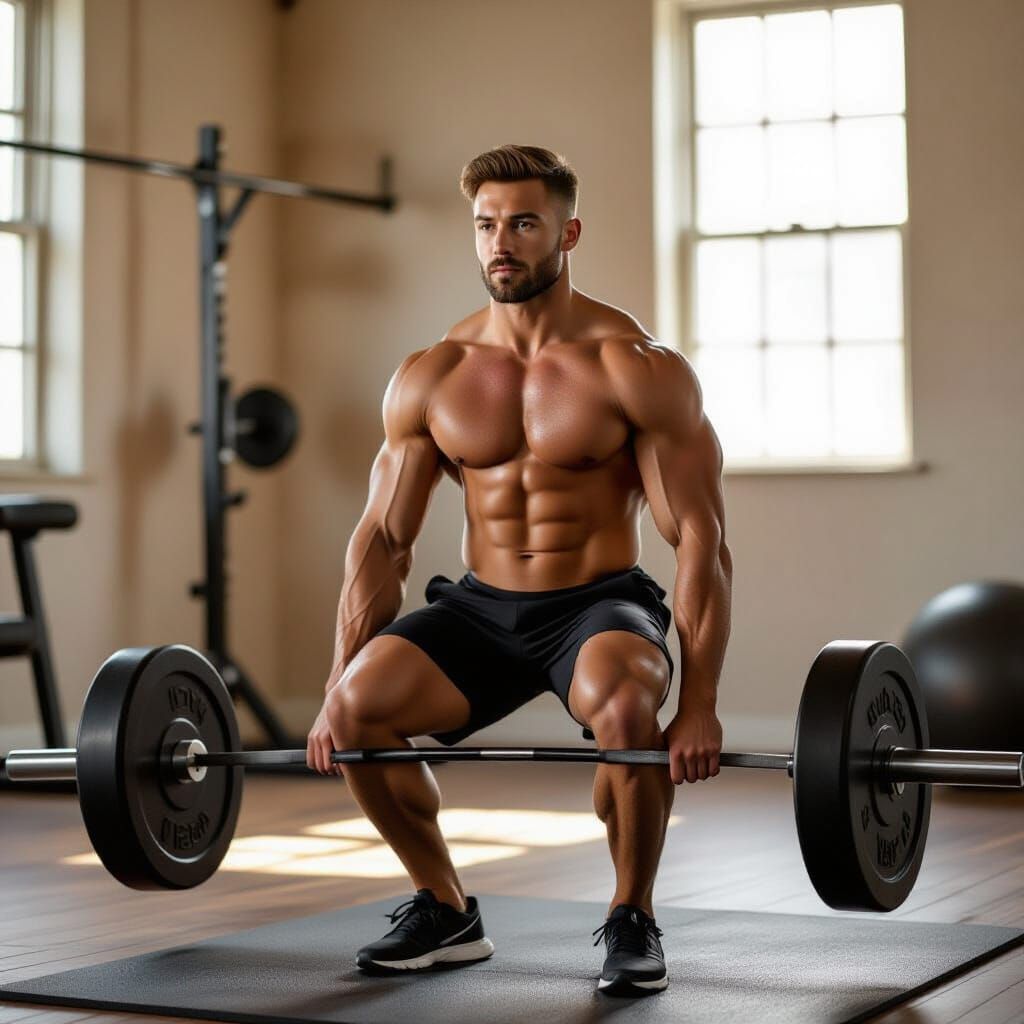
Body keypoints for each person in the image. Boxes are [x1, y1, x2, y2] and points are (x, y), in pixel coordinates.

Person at [306, 144, 732, 997]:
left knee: (625, 704)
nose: (502, 242)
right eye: (487, 224)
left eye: (524, 223)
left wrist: (702, 705)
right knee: (358, 711)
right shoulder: (434, 375)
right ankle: (445, 907)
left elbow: (700, 541)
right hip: (479, 609)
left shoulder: (636, 368)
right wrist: (330, 685)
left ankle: (632, 914)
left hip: (598, 604)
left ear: (567, 232)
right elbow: (384, 540)